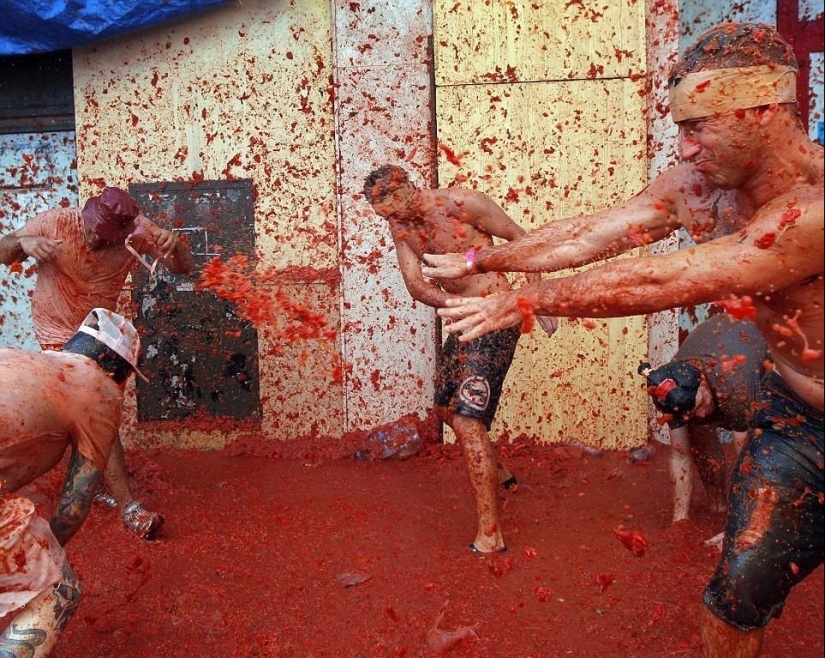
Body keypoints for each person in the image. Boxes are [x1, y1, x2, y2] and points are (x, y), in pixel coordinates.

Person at [422, 22, 823, 658]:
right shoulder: (700, 186)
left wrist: (528, 298)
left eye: (697, 127)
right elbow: (594, 234)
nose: (684, 148)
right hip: (799, 418)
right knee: (737, 592)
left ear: (765, 112)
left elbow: (672, 277)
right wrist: (482, 262)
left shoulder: (814, 207)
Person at [363, 164, 556, 554]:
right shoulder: (399, 226)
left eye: (399, 210)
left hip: (496, 314)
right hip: (467, 317)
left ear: (410, 188)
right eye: (387, 217)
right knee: (444, 409)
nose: (397, 221)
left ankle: (491, 534)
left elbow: (521, 240)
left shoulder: (462, 203)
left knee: (467, 421)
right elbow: (416, 285)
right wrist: (458, 304)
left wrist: (535, 298)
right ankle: (499, 471)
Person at [0, 186, 193, 539]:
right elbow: (3, 251)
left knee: (94, 413)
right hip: (57, 331)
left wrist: (175, 246)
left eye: (104, 237)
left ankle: (93, 476)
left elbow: (184, 267)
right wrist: (22, 244)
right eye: (90, 229)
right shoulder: (55, 222)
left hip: (100, 332)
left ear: (123, 231)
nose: (93, 240)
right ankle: (128, 506)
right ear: (86, 214)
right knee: (95, 411)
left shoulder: (139, 232)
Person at [0, 309, 146, 657]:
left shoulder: (28, 358)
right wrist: (50, 549)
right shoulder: (100, 387)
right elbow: (75, 504)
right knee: (59, 589)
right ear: (117, 368)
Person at [638, 314, 769, 539]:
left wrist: (737, 529)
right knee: (697, 431)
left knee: (770, 445)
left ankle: (755, 519)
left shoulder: (737, 388)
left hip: (761, 356)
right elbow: (680, 455)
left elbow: (745, 461)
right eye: (691, 411)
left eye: (701, 404)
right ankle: (718, 505)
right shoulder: (668, 391)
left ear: (703, 383)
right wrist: (680, 521)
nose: (698, 414)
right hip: (718, 358)